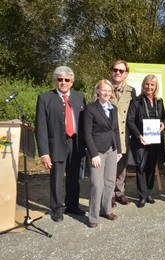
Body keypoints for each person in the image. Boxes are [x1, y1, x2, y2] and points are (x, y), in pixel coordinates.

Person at [35, 66, 86, 222]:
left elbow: (84, 123)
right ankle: (56, 208)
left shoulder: (79, 97)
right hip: (56, 143)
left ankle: (72, 205)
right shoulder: (45, 98)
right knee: (57, 177)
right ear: (55, 80)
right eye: (60, 79)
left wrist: (86, 145)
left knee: (74, 177)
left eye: (67, 80)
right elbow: (41, 127)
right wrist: (44, 153)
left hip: (75, 143)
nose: (63, 82)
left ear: (72, 82)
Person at [84, 79, 122, 228]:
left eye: (109, 90)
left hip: (112, 150)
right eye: (103, 90)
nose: (106, 93)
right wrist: (93, 154)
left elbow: (116, 130)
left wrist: (118, 150)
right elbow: (87, 133)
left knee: (110, 182)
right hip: (97, 151)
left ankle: (107, 210)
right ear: (98, 91)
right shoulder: (90, 109)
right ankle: (93, 216)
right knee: (96, 184)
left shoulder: (114, 108)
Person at [127, 74, 165, 208]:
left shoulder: (160, 102)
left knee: (151, 167)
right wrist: (139, 136)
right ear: (143, 85)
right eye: (147, 84)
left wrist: (163, 124)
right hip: (141, 140)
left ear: (156, 87)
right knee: (141, 167)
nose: (149, 87)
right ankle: (142, 195)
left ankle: (149, 192)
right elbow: (130, 121)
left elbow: (164, 118)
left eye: (152, 85)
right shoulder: (136, 101)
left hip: (155, 140)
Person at [109, 60, 136, 207]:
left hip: (124, 134)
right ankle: (109, 194)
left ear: (126, 73)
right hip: (108, 134)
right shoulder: (103, 87)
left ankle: (120, 192)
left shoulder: (132, 91)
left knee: (122, 166)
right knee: (110, 165)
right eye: (115, 70)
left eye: (121, 71)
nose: (117, 73)